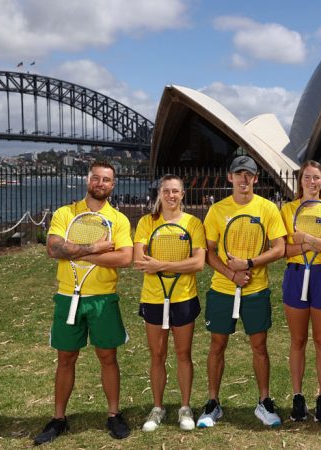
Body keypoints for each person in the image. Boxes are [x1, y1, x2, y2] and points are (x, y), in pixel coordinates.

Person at [34, 161, 133, 445]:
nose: (101, 183)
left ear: (113, 185)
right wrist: (96, 248)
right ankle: (58, 419)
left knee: (108, 357)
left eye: (107, 180)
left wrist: (79, 254)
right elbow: (54, 248)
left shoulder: (119, 220)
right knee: (65, 358)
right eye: (96, 178)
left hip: (103, 299)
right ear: (88, 180)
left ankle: (113, 415)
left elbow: (125, 258)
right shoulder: (66, 213)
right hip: (68, 297)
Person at [197, 155, 287, 428]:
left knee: (259, 346)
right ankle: (213, 403)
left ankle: (264, 402)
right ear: (230, 178)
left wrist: (249, 264)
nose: (244, 179)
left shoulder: (268, 208)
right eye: (239, 174)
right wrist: (231, 273)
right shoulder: (217, 210)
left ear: (256, 179)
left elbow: (280, 248)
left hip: (256, 290)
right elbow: (209, 252)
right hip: (222, 289)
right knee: (217, 345)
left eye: (249, 174)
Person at [133, 174, 206, 432]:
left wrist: (160, 265)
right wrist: (160, 265)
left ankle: (185, 407)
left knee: (183, 354)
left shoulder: (193, 223)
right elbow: (139, 260)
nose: (171, 196)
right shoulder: (146, 222)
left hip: (184, 298)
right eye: (166, 191)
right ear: (160, 194)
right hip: (153, 299)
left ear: (182, 194)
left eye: (176, 191)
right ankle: (158, 408)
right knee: (157, 355)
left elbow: (198, 263)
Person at [280, 160, 321, 422]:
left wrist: (307, 239)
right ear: (300, 181)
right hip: (296, 276)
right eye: (307, 177)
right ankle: (298, 396)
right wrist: (318, 245)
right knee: (298, 341)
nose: (312, 182)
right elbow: (284, 249)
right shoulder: (287, 209)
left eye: (316, 177)